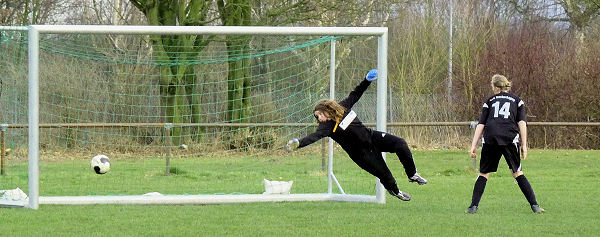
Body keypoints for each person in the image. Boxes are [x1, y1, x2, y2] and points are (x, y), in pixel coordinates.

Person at [286, 69, 427, 201]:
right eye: (316, 117)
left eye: (319, 115)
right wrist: (298, 144)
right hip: (362, 154)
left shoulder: (343, 107)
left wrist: (367, 80)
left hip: (372, 138)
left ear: (326, 109)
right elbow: (313, 137)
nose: (319, 119)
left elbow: (356, 93)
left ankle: (412, 174)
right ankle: (396, 191)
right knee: (386, 175)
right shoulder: (326, 127)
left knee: (400, 143)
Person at [467, 74, 545, 214]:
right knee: (517, 172)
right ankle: (535, 206)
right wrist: (524, 145)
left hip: (490, 138)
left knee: (484, 173)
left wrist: (473, 145)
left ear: (496, 87)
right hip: (509, 138)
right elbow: (522, 123)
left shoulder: (489, 101)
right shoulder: (517, 101)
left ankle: (473, 207)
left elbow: (481, 124)